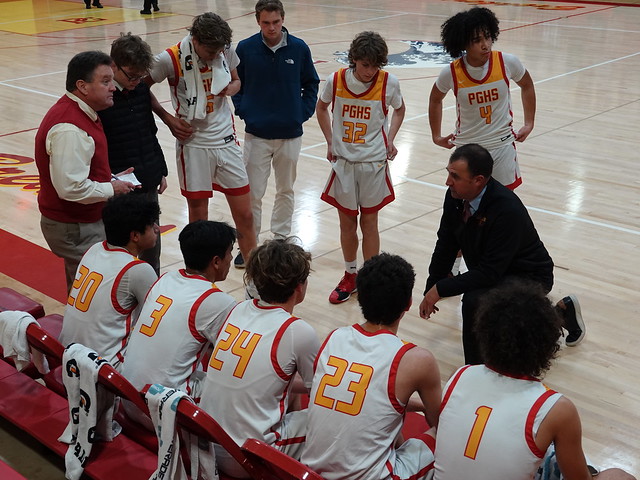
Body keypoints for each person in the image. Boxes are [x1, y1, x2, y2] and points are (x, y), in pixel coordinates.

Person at [434, 279, 636, 480]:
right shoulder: (558, 410)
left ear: (485, 333)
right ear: (547, 345)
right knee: (617, 475)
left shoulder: (460, 374)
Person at [419, 144, 584, 365]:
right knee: (482, 300)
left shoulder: (506, 209)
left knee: (475, 300)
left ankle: (475, 369)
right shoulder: (455, 197)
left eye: (455, 176)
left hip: (529, 275)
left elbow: (489, 272)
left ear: (478, 180)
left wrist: (442, 288)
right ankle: (561, 313)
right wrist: (432, 285)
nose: (448, 182)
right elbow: (446, 244)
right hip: (495, 270)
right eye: (448, 173)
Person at [302, 253, 441, 480]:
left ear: (360, 299)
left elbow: (370, 401)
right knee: (443, 433)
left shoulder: (334, 337)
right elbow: (439, 422)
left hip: (310, 473)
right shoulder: (418, 360)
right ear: (408, 303)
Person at [199, 238, 319, 478]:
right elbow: (324, 396)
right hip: (248, 457)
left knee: (285, 382)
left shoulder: (236, 310)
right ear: (300, 287)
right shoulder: (298, 331)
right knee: (335, 419)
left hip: (206, 444)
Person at [148, 12, 256, 265]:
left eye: (220, 50)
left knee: (246, 215)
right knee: (199, 218)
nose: (216, 55)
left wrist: (234, 87)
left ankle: (255, 277)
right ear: (195, 40)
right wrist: (167, 117)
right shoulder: (169, 58)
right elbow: (141, 88)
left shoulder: (225, 50)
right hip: (193, 142)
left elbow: (238, 79)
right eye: (211, 50)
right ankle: (200, 278)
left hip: (226, 139)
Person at [35, 50, 136, 292]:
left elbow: (78, 173)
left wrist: (110, 179)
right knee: (94, 292)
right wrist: (112, 188)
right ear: (82, 86)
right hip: (73, 225)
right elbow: (71, 188)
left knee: (81, 286)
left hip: (76, 222)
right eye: (105, 81)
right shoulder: (70, 128)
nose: (113, 87)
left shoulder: (77, 112)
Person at [316, 31, 406, 304]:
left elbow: (400, 109)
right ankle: (350, 274)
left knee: (369, 222)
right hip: (344, 162)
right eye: (365, 65)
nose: (370, 71)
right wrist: (330, 141)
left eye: (375, 65)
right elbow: (321, 108)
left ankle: (371, 276)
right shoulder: (336, 80)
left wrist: (390, 139)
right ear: (354, 59)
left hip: (373, 163)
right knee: (346, 223)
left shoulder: (389, 83)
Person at [231, 0, 319, 268]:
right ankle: (250, 245)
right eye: (266, 22)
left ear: (283, 19)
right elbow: (237, 84)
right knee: (253, 194)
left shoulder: (299, 48)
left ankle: (280, 241)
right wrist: (243, 109)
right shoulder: (245, 49)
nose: (272, 28)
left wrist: (300, 113)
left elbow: (311, 83)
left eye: (276, 22)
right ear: (258, 21)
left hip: (290, 134)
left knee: (286, 190)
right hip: (256, 135)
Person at [121, 220, 237, 425]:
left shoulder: (165, 278)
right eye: (230, 252)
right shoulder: (218, 301)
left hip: (128, 396)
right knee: (242, 386)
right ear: (217, 261)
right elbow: (233, 364)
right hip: (160, 410)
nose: (231, 258)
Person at [428, 6, 535, 190]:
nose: (485, 44)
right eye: (477, 40)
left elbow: (527, 85)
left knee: (503, 207)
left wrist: (529, 122)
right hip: (467, 150)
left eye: (487, 37)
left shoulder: (507, 62)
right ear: (464, 43)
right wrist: (436, 136)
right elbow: (435, 99)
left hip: (501, 145)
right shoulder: (452, 73)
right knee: (467, 208)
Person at [59, 194, 160, 370]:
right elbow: (157, 326)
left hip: (69, 353)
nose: (157, 229)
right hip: (104, 368)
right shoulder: (138, 270)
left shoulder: (94, 249)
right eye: (152, 225)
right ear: (135, 235)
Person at [98, 33, 170, 275]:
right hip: (119, 191)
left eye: (141, 76)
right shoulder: (101, 97)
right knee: (120, 255)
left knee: (152, 253)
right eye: (132, 75)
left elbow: (150, 131)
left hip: (147, 181)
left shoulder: (140, 89)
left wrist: (160, 170)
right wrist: (109, 179)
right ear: (113, 65)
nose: (137, 81)